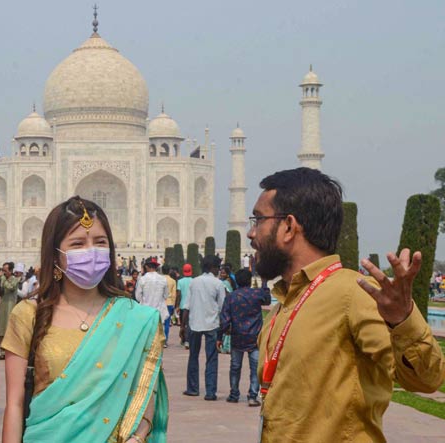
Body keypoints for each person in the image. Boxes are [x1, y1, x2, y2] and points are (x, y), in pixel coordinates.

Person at [250, 168, 445, 442]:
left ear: (289, 226)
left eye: (258, 219)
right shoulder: (283, 304)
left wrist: (402, 320)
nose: (250, 232)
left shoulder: (352, 293)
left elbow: (426, 379)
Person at [2, 196, 168, 443]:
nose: (91, 251)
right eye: (78, 243)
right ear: (56, 255)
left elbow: (146, 393)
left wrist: (137, 438)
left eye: (100, 242)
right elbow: (15, 404)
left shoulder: (135, 317)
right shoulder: (29, 314)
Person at [217, 269, 270, 406]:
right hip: (255, 336)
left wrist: (219, 337)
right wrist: (264, 281)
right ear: (250, 280)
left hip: (238, 336)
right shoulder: (256, 294)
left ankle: (234, 394)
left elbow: (225, 319)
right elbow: (267, 299)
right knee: (255, 367)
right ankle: (252, 395)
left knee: (235, 366)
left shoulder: (232, 296)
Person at [183, 255, 226, 400]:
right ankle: (210, 392)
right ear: (212, 268)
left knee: (193, 357)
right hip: (211, 325)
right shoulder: (218, 284)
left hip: (194, 323)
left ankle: (193, 388)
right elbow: (222, 306)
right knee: (211, 359)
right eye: (218, 267)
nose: (219, 270)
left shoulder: (194, 282)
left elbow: (187, 305)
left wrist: (183, 326)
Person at [135, 258, 170, 342]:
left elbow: (138, 297)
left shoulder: (142, 279)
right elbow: (166, 295)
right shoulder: (163, 279)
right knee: (157, 337)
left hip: (146, 311)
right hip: (159, 311)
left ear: (146, 266)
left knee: (147, 337)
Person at [0, 261, 21, 360]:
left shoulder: (15, 280)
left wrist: (2, 277)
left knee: (8, 330)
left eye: (5, 271)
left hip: (10, 308)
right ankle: (2, 352)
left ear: (11, 271)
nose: (3, 272)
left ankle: (9, 352)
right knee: (1, 330)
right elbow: (0, 289)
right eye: (2, 270)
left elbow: (10, 287)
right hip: (3, 307)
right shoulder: (2, 279)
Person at [177, 264, 194, 349]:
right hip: (192, 305)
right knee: (189, 324)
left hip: (182, 305)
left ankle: (184, 340)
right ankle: (187, 340)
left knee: (182, 324)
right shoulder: (194, 281)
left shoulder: (180, 281)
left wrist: (176, 305)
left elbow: (179, 295)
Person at [161, 264, 177, 343]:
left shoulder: (159, 279)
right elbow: (174, 295)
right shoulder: (173, 281)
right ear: (169, 271)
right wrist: (173, 305)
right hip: (169, 302)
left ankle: (159, 339)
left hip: (161, 302)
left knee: (160, 323)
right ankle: (165, 340)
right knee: (167, 323)